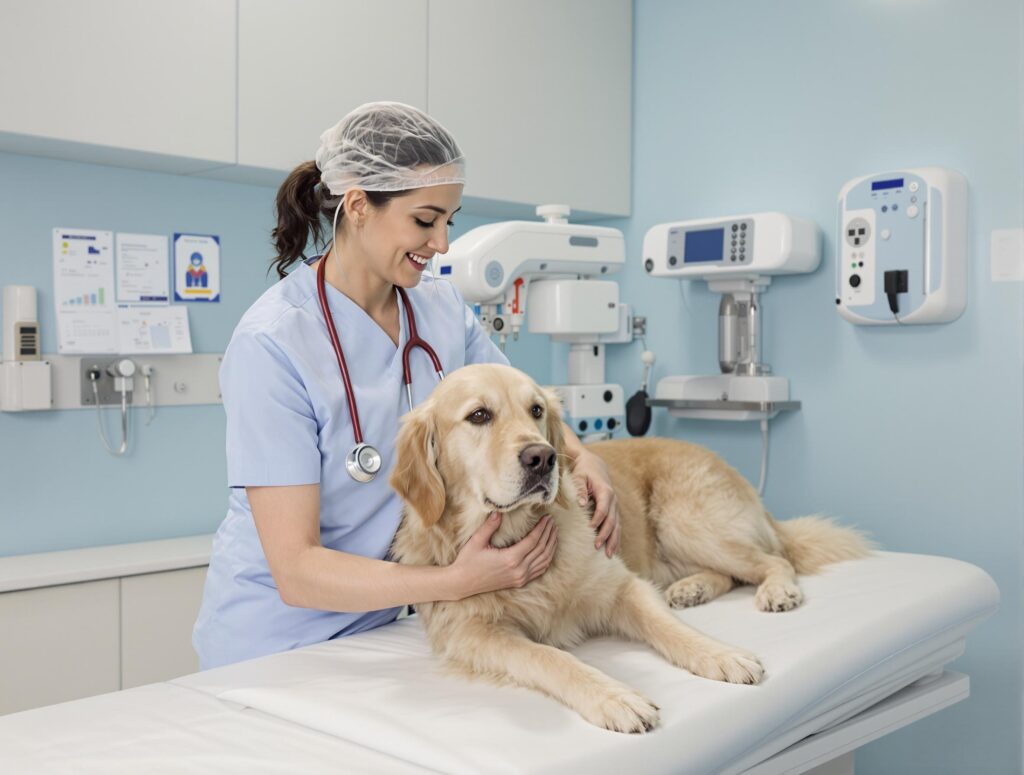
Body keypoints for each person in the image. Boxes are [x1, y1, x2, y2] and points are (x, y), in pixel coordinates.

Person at [193, 102, 621, 669]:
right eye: (425, 221)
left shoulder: (441, 311)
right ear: (358, 206)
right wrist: (451, 578)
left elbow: (520, 405)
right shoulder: (273, 345)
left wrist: (584, 458)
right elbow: (296, 570)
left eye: (450, 220)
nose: (441, 243)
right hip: (273, 643)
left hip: (382, 625)